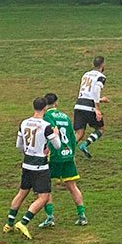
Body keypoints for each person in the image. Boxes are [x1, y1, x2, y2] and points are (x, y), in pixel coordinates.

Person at [3, 97, 63, 241]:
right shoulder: (46, 126)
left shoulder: (24, 123)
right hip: (40, 166)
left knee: (22, 193)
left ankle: (9, 223)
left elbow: (19, 145)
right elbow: (57, 146)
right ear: (45, 109)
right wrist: (56, 134)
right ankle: (23, 222)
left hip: (27, 163)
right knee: (43, 197)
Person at [38, 93, 88, 228]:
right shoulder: (65, 116)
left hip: (53, 156)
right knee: (72, 186)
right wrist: (71, 153)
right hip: (68, 155)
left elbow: (52, 135)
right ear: (56, 103)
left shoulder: (47, 116)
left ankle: (50, 217)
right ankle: (82, 215)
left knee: (45, 187)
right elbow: (72, 137)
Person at [73, 55, 108, 158]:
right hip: (90, 107)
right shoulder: (101, 77)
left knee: (79, 133)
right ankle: (85, 144)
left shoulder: (86, 74)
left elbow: (87, 92)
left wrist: (101, 99)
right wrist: (97, 109)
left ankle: (66, 152)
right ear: (102, 65)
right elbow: (96, 90)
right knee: (100, 128)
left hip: (79, 105)